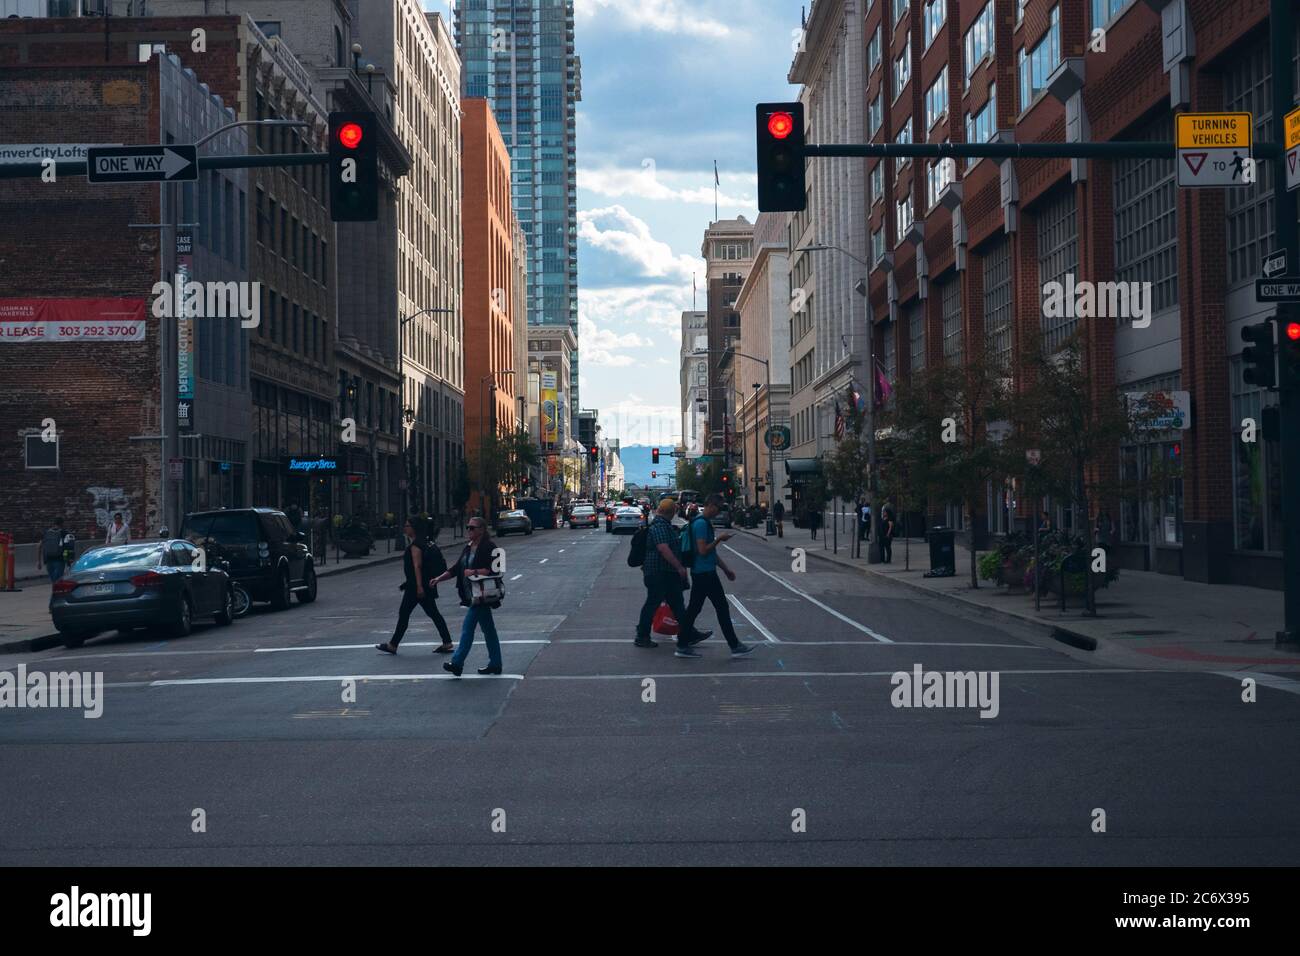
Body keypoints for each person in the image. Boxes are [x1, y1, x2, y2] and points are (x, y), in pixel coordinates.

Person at [680, 494, 754, 657]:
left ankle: (683, 643)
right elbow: (703, 550)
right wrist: (719, 539)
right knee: (718, 608)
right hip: (704, 573)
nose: (718, 512)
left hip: (704, 572)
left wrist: (726, 569)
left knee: (696, 608)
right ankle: (734, 645)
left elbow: (710, 552)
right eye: (718, 508)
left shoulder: (704, 523)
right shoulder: (700, 524)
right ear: (711, 505)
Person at [634, 498, 711, 655]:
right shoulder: (660, 526)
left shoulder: (663, 525)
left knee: (677, 604)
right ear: (670, 512)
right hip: (658, 572)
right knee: (653, 603)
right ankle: (642, 635)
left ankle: (689, 633)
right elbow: (663, 548)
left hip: (665, 573)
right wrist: (679, 567)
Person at [430, 516, 503, 676]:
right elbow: (457, 568)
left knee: (467, 628)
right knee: (489, 630)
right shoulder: (469, 547)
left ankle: (457, 663)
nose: (468, 530)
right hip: (473, 595)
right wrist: (439, 579)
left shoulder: (490, 547)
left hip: (482, 595)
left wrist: (475, 572)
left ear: (482, 530)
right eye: (468, 527)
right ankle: (496, 663)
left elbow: (498, 569)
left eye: (472, 527)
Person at [376, 517, 454, 656]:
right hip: (424, 584)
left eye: (407, 525)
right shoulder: (426, 542)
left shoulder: (416, 545)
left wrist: (418, 587)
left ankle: (393, 645)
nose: (405, 528)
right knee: (433, 614)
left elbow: (417, 566)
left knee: (405, 614)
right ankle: (447, 641)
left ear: (414, 528)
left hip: (417, 587)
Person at [38, 518, 67, 583]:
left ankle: (55, 591)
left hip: (49, 559)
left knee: (54, 581)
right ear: (62, 524)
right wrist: (68, 560)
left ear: (54, 524)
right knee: (58, 581)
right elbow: (68, 547)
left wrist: (39, 561)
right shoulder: (63, 533)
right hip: (59, 559)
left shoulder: (46, 532)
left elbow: (39, 546)